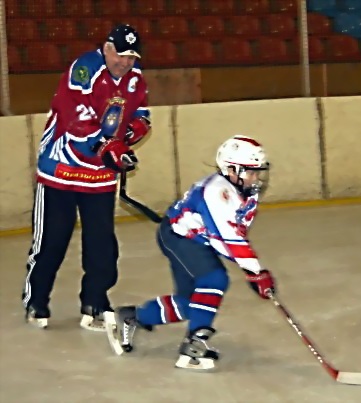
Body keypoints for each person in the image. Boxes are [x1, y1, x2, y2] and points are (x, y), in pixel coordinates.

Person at [104, 135, 276, 371]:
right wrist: (256, 272)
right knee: (215, 279)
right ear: (231, 168)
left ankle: (132, 316)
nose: (255, 178)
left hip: (194, 239)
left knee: (191, 303)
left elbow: (232, 235)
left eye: (258, 172)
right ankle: (195, 344)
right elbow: (228, 238)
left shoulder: (243, 190)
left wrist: (252, 270)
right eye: (250, 171)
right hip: (179, 238)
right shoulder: (217, 192)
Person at [23, 24, 151, 331]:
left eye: (131, 57)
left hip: (99, 176)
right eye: (120, 54)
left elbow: (140, 113)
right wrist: (106, 146)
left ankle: (94, 302)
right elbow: (75, 117)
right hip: (61, 171)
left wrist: (135, 130)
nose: (124, 62)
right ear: (107, 48)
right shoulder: (84, 68)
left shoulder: (135, 79)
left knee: (102, 245)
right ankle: (37, 300)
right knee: (51, 241)